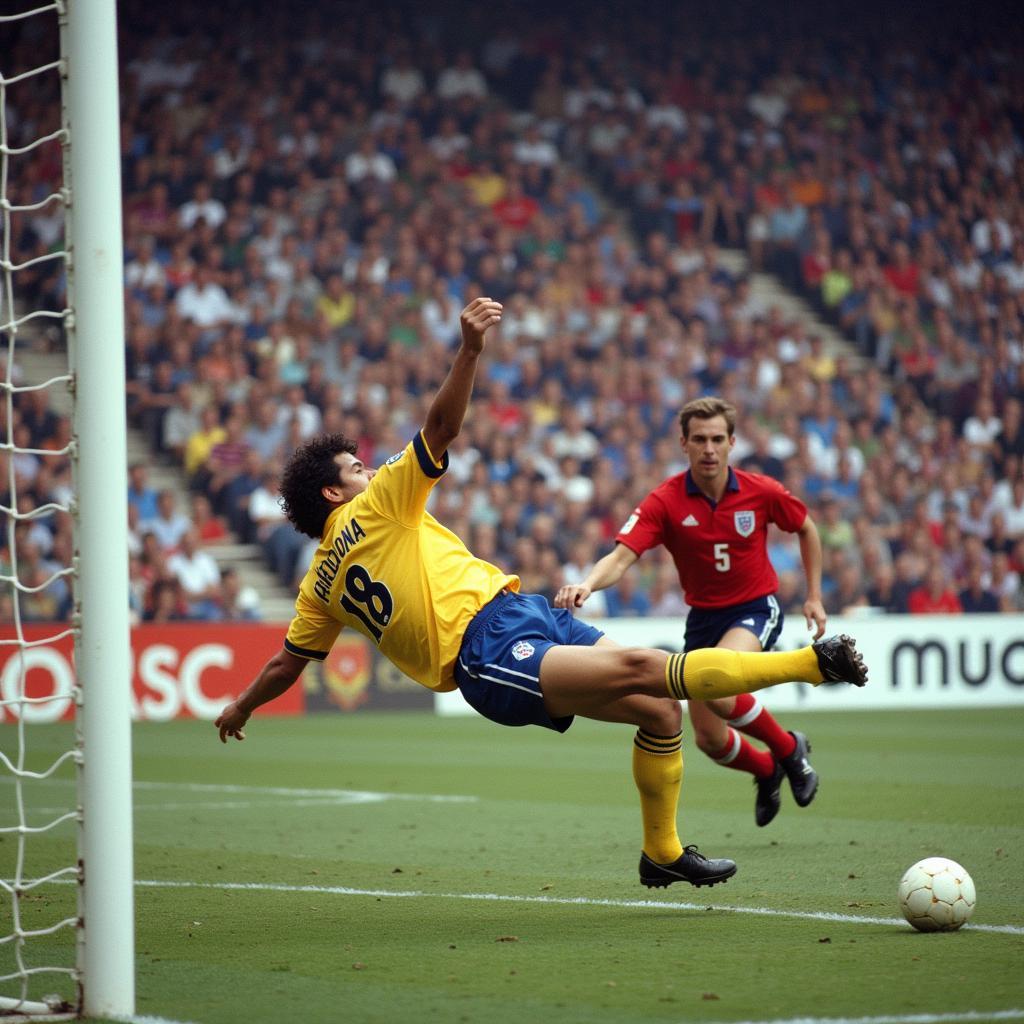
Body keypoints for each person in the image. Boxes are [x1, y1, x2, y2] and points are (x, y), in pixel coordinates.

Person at [216, 299, 867, 892]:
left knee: (662, 714)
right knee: (651, 668)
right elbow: (442, 426)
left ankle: (662, 851)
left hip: (527, 612)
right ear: (336, 493)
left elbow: (286, 664)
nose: (370, 466)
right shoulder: (382, 500)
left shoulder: (317, 585)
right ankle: (814, 665)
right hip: (486, 650)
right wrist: (469, 351)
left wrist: (241, 709)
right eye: (355, 467)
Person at [556, 396, 827, 828]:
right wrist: (588, 583)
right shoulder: (665, 501)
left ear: (732, 442)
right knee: (709, 738)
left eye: (717, 439)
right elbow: (622, 557)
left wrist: (813, 595)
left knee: (719, 689)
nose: (709, 449)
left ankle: (789, 749)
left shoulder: (762, 491)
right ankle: (767, 770)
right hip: (703, 619)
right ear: (683, 443)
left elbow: (807, 528)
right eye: (699, 439)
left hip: (756, 607)